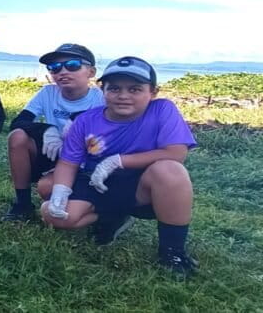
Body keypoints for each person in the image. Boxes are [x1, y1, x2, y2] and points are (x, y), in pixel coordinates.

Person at [42, 57, 198, 277]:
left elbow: (176, 152)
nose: (123, 96)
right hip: (96, 182)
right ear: (102, 90)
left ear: (153, 91)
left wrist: (118, 161)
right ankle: (112, 217)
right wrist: (60, 191)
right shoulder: (86, 120)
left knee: (170, 170)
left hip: (141, 186)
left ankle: (173, 252)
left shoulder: (162, 110)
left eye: (135, 89)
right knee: (52, 214)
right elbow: (69, 163)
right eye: (114, 88)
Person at [3, 43, 104, 221]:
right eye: (55, 68)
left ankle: (108, 212)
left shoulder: (101, 98)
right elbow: (19, 122)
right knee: (17, 136)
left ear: (91, 72)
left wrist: (76, 121)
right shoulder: (48, 92)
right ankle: (23, 204)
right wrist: (47, 129)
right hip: (55, 153)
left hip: (88, 159)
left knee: (47, 188)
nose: (62, 72)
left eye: (72, 65)